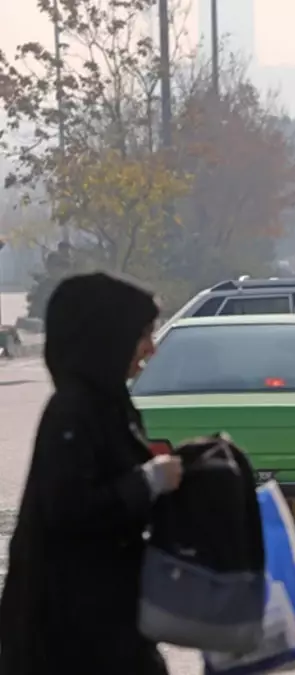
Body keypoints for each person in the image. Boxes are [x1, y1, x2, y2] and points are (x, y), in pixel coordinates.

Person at [0, 272, 183, 675]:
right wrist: (149, 481)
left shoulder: (109, 406)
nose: (150, 350)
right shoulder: (73, 413)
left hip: (107, 623)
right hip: (65, 637)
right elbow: (70, 509)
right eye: (141, 337)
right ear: (108, 340)